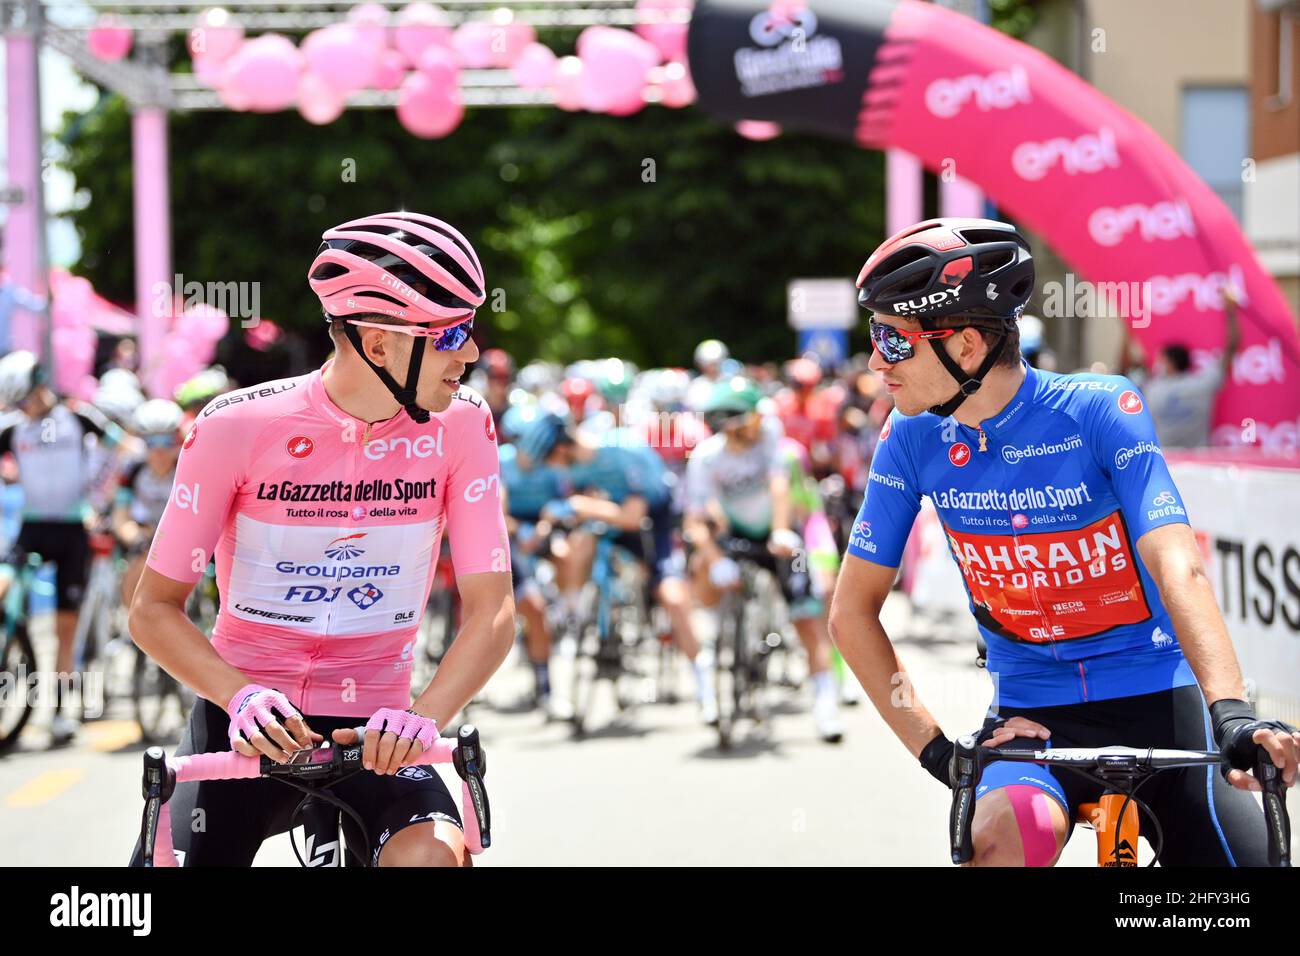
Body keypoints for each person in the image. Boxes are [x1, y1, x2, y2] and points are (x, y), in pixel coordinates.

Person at [830, 217, 1298, 866]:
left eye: (892, 338)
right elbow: (851, 613)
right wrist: (943, 756)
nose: (877, 361)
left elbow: (1177, 564)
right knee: (996, 841)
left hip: (1159, 701)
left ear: (965, 346)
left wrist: (1233, 713)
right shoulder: (909, 438)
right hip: (1032, 720)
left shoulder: (1101, 409)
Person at [127, 211, 514, 867]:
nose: (470, 353)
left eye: (470, 329)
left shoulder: (463, 428)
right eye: (451, 332)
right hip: (245, 725)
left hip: (377, 727)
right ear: (379, 342)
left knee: (432, 859)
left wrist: (426, 715)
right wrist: (239, 694)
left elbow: (492, 608)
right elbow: (151, 609)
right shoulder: (237, 427)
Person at [685, 376, 844, 742]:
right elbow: (695, 520)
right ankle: (714, 662)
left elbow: (779, 485)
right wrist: (715, 558)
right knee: (703, 573)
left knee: (806, 614)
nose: (759, 421)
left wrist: (779, 531)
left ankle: (825, 703)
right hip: (736, 534)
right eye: (750, 417)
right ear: (732, 423)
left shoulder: (770, 433)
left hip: (780, 534)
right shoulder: (707, 457)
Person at [0, 350, 129, 745]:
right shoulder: (13, 428)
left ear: (41, 384)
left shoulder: (77, 416)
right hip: (33, 525)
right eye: (17, 403)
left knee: (64, 629)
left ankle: (57, 710)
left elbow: (124, 448)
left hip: (73, 529)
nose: (25, 408)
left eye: (27, 398)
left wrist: (99, 497)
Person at [1118, 287, 1241, 449]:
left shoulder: (1152, 387)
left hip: (1164, 462)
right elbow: (1231, 349)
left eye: (1160, 358)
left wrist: (1128, 328)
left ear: (1170, 363)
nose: (1157, 363)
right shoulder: (1203, 384)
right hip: (1201, 464)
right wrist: (1231, 312)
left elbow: (1124, 371)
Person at [112, 399, 183, 607]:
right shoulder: (132, 470)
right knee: (141, 562)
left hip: (183, 535)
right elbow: (120, 518)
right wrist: (137, 539)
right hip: (147, 534)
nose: (159, 451)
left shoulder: (188, 468)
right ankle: (136, 624)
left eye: (167, 442)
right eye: (152, 443)